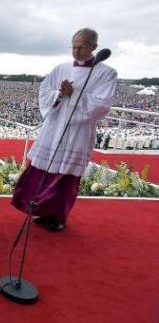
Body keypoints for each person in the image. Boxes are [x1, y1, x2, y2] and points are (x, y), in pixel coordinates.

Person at [11, 28, 117, 232]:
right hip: (54, 127)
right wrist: (60, 95)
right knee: (43, 169)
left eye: (82, 48)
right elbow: (45, 91)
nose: (76, 52)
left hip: (78, 131)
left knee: (66, 176)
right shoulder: (60, 68)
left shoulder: (106, 73)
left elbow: (101, 104)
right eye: (74, 47)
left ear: (94, 47)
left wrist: (73, 93)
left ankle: (57, 216)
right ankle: (41, 210)